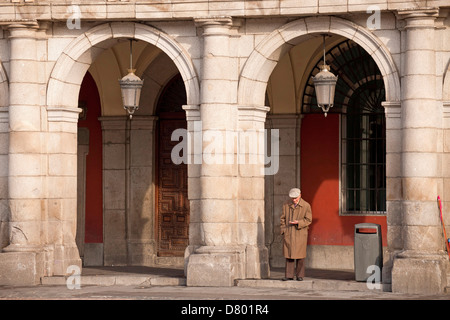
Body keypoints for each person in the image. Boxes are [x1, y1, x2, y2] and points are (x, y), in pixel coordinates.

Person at [280, 188, 312, 281]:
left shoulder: (306, 206)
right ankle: (289, 275)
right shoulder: (286, 205)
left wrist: (298, 222)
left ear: (300, 195)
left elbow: (308, 220)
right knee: (289, 255)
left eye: (295, 198)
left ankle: (300, 275)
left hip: (300, 233)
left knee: (300, 256)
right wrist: (283, 230)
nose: (294, 200)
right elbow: (282, 218)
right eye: (292, 198)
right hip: (289, 232)